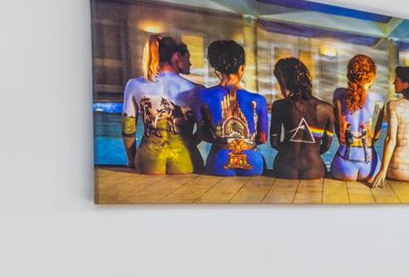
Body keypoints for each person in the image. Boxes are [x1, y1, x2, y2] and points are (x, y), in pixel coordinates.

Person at [121, 34, 201, 175]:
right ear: (177, 57)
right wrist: (189, 144)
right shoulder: (196, 90)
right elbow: (204, 131)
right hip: (185, 160)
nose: (190, 63)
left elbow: (128, 129)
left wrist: (131, 159)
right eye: (188, 58)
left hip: (148, 159)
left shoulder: (134, 85)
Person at [198, 38, 269, 177]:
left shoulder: (203, 96)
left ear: (216, 68)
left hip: (219, 161)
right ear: (242, 68)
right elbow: (263, 138)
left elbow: (203, 134)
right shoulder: (258, 100)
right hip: (253, 161)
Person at [269, 56, 336, 181]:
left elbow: (274, 143)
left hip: (284, 167)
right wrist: (312, 152)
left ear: (285, 81)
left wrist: (289, 151)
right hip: (314, 169)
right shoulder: (327, 109)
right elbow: (326, 146)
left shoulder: (279, 106)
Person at [371, 65, 409, 188]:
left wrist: (383, 170)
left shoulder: (393, 106)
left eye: (397, 80)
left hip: (399, 169)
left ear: (406, 85)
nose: (394, 82)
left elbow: (390, 139)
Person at [330, 53, 381, 182]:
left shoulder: (339, 94)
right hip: (370, 167)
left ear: (349, 74)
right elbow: (376, 137)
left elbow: (338, 131)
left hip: (343, 165)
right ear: (372, 76)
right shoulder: (379, 99)